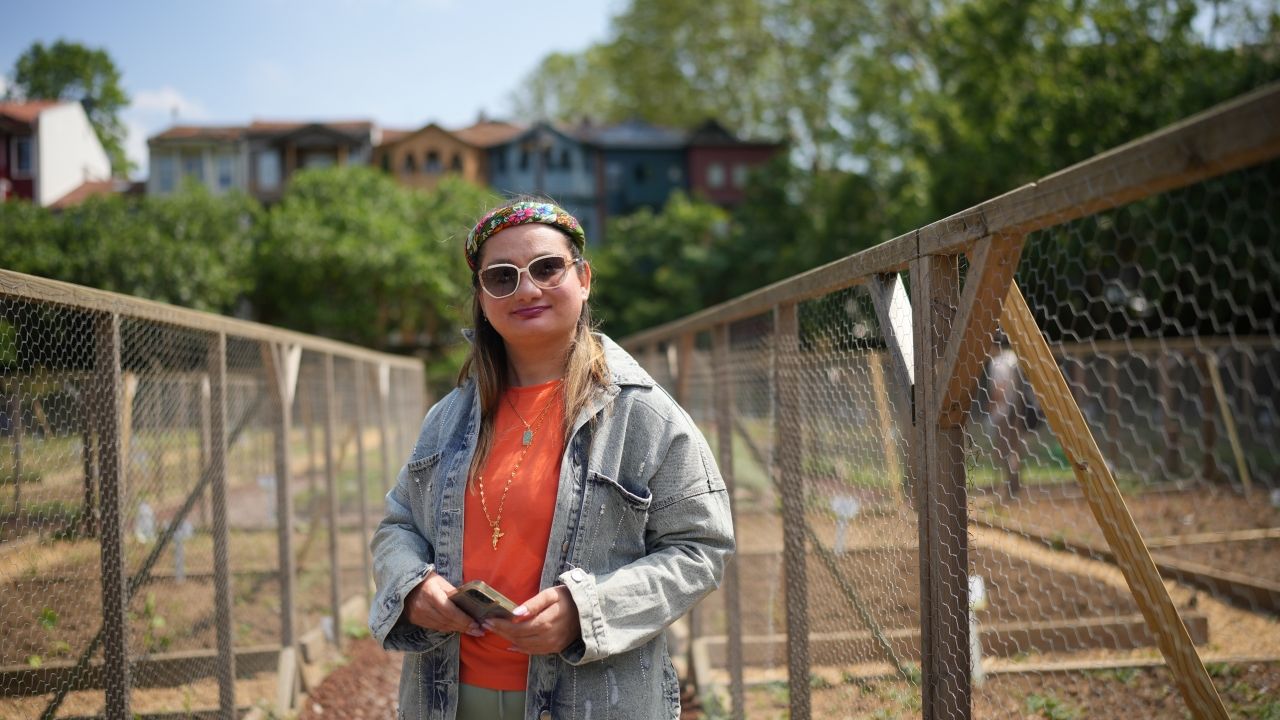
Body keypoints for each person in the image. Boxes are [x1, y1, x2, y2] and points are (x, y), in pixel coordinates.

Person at [369, 199, 735, 719]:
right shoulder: (447, 418)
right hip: (447, 698)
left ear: (583, 278)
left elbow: (701, 546)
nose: (526, 289)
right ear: (482, 297)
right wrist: (412, 585)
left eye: (546, 268)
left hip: (593, 702)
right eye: (502, 276)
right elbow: (398, 525)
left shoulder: (644, 414)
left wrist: (585, 611)